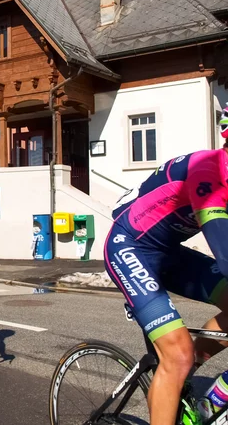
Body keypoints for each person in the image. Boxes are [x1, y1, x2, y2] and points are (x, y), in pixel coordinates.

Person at [104, 105, 228, 425]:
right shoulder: (208, 170)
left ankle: (185, 379)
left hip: (168, 251)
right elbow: (224, 249)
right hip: (128, 247)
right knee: (178, 354)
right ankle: (179, 368)